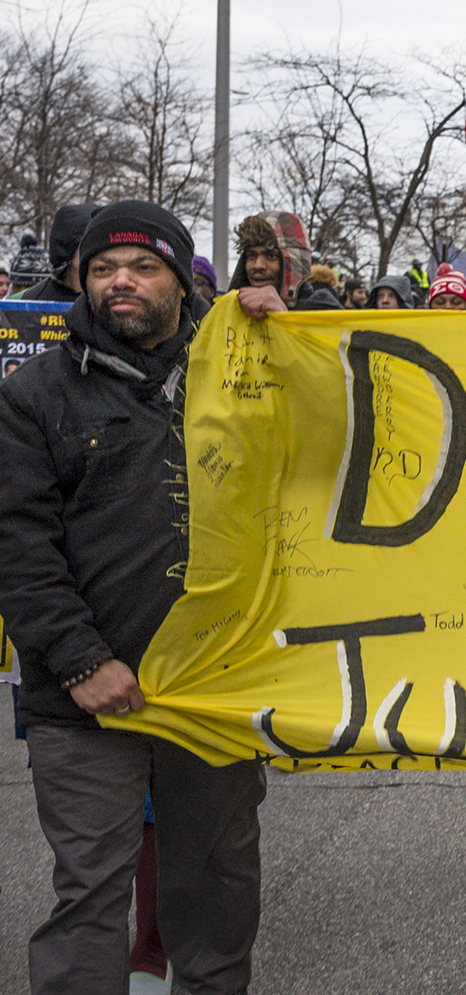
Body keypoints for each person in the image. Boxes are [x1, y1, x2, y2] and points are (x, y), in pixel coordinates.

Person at [0, 199, 284, 995]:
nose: (119, 281)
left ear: (180, 279)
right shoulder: (35, 395)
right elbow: (17, 544)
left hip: (217, 690)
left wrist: (288, 335)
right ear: (80, 281)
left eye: (141, 266)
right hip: (86, 699)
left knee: (217, 890)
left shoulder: (246, 372)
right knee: (89, 896)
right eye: (101, 269)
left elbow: (341, 445)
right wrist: (81, 660)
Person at [20, 203, 102, 303]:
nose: (98, 251)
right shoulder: (32, 300)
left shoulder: (113, 294)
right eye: (89, 243)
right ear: (68, 248)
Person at [233, 211, 313, 305]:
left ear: (294, 264)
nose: (258, 266)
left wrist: (282, 316)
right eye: (252, 255)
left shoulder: (322, 312)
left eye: (271, 256)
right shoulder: (228, 312)